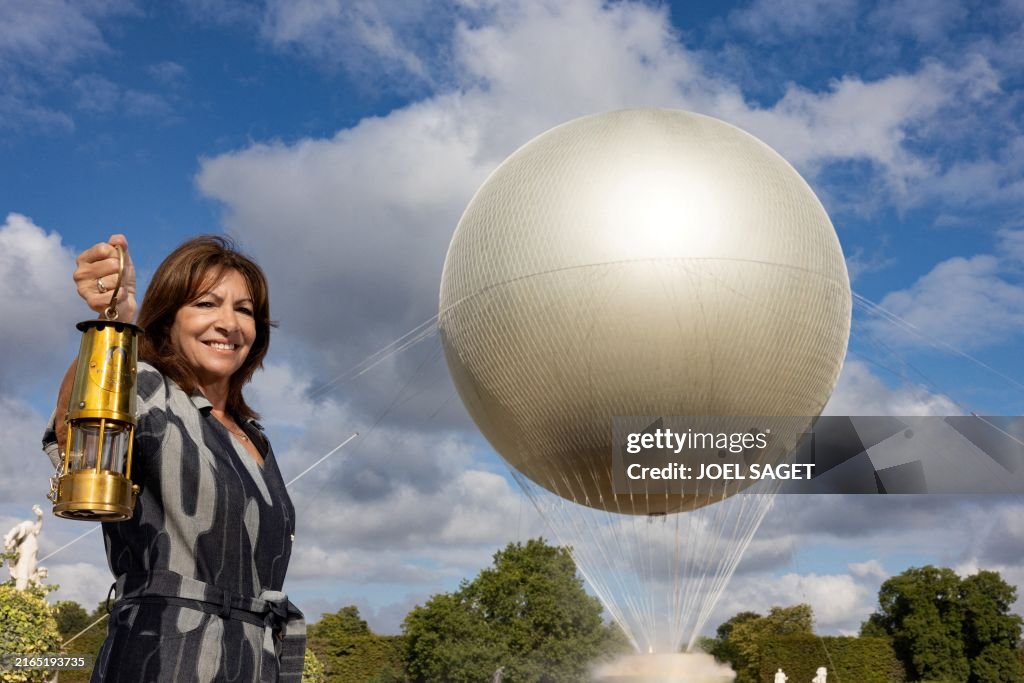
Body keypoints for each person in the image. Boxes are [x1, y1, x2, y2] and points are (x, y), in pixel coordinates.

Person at [43, 234, 304, 682]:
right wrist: (115, 327)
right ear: (168, 321)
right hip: (163, 658)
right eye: (206, 303)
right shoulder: (147, 389)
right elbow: (77, 423)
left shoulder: (256, 439)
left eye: (244, 309)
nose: (229, 323)